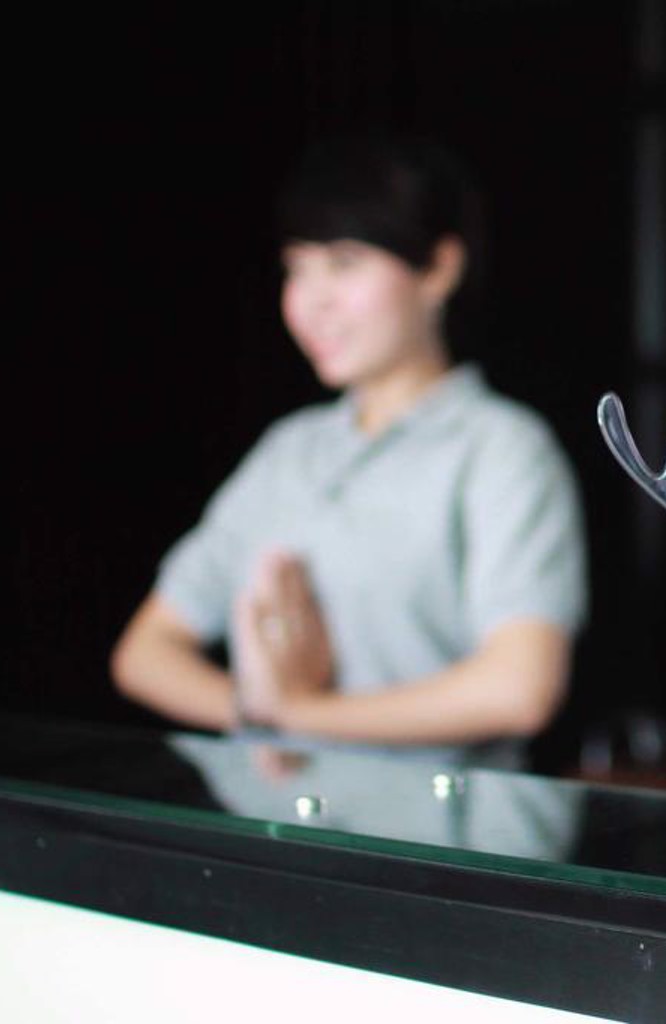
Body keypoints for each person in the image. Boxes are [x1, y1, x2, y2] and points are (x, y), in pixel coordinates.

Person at [111, 138, 588, 768]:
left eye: (344, 263)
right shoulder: (289, 451)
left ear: (439, 269)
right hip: (273, 820)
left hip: (437, 824)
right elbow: (144, 653)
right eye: (297, 269)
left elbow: (519, 690)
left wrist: (297, 715)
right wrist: (255, 709)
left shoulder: (500, 449)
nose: (313, 301)